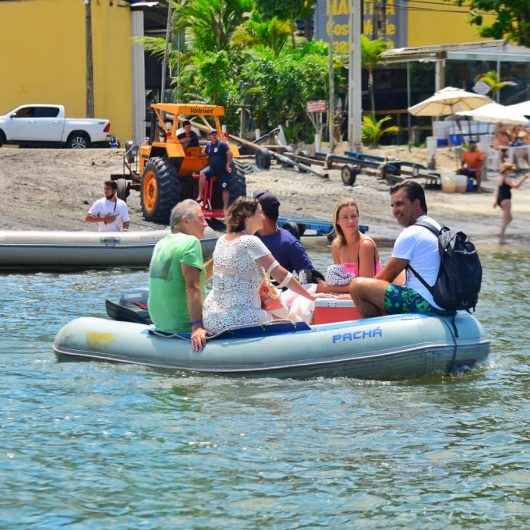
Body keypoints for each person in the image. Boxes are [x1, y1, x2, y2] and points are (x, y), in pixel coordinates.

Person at [203, 197, 319, 335]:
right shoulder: (251, 241)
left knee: (279, 313)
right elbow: (282, 275)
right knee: (291, 323)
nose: (263, 217)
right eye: (260, 212)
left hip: (210, 317)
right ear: (248, 216)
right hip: (238, 319)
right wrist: (310, 297)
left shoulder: (222, 240)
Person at [349, 181, 445, 318]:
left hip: (425, 303)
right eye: (393, 205)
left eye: (400, 204)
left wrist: (350, 296)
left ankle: (376, 331)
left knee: (358, 286)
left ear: (417, 204)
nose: (395, 211)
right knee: (400, 278)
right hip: (442, 302)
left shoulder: (411, 233)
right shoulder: (435, 226)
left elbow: (384, 279)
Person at [148, 200, 208, 351]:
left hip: (161, 323)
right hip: (182, 324)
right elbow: (192, 287)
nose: (205, 224)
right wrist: (197, 326)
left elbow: (181, 279)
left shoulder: (161, 244)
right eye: (201, 219)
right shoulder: (191, 243)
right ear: (186, 221)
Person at [319, 198, 381, 294]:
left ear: (358, 218)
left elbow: (364, 286)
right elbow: (339, 280)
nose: (351, 221)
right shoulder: (336, 245)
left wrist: (328, 288)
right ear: (337, 221)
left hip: (370, 296)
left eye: (354, 216)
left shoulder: (365, 245)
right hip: (351, 294)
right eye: (345, 217)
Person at [254, 191, 314, 273]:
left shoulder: (290, 244)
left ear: (261, 215)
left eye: (251, 210)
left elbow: (309, 279)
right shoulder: (247, 236)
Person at [197, 129, 233, 213]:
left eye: (214, 134)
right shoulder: (208, 145)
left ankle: (225, 208)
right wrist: (199, 153)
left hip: (222, 170)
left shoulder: (222, 144)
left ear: (216, 135)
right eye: (211, 134)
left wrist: (228, 165)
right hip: (212, 169)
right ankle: (200, 195)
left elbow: (229, 154)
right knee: (202, 173)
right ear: (209, 136)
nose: (213, 136)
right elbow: (204, 153)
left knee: (225, 188)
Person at [493, 163, 528, 244]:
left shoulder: (500, 177)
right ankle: (501, 237)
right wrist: (524, 178)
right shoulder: (506, 178)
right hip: (506, 200)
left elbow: (498, 189)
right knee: (505, 220)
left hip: (501, 199)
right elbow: (516, 186)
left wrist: (495, 201)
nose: (511, 172)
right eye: (510, 170)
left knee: (509, 218)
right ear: (507, 170)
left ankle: (501, 233)